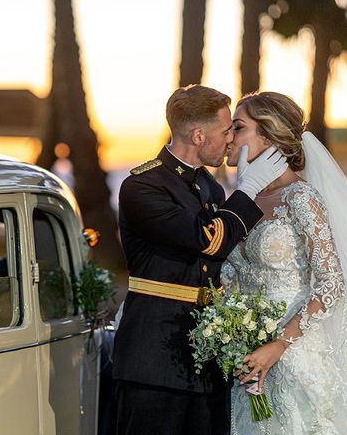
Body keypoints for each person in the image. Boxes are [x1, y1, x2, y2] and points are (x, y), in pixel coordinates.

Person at [222, 91, 347, 434]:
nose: (228, 138)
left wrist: (279, 344)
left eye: (237, 128)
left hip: (296, 350)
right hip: (249, 354)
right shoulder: (241, 201)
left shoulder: (301, 197)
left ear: (268, 135)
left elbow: (330, 283)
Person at [113, 84, 288, 435]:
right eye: (226, 131)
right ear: (197, 135)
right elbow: (209, 241)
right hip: (155, 355)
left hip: (208, 357)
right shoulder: (143, 186)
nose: (230, 140)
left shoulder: (208, 186)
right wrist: (247, 191)